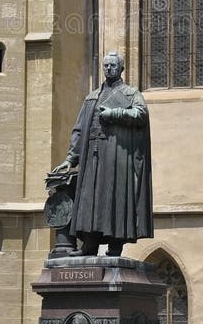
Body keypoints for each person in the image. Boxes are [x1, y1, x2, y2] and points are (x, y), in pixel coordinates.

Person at [62, 51, 153, 256]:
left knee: (115, 197)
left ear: (121, 68)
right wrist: (70, 158)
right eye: (105, 65)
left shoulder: (130, 93)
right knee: (90, 199)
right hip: (92, 156)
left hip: (117, 154)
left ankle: (115, 246)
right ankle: (89, 245)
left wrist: (115, 114)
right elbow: (79, 129)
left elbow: (141, 114)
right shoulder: (92, 97)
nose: (109, 69)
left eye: (113, 65)